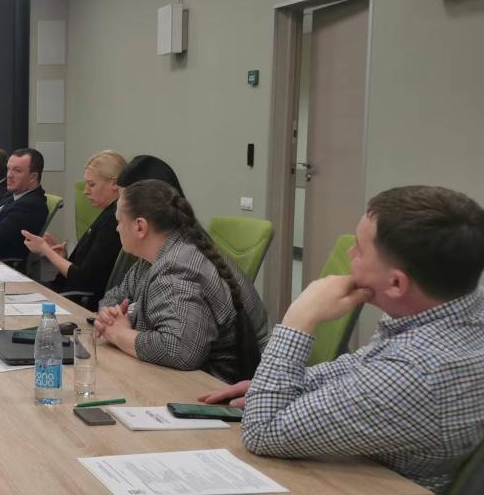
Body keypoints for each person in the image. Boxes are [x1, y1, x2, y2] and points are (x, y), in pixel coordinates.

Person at [198, 186, 484, 493]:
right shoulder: (458, 309)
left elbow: (261, 432)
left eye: (359, 249)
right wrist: (283, 384)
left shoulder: (417, 371)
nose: (350, 254)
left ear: (396, 283)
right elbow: (363, 367)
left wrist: (299, 319)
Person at [95, 179, 270, 384]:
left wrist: (119, 334)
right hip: (192, 377)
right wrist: (111, 316)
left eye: (119, 221)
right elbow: (114, 296)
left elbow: (180, 350)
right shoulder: (152, 258)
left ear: (140, 227)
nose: (117, 229)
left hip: (217, 385)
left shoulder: (177, 267)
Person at [22, 150, 126, 310]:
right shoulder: (108, 214)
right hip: (70, 292)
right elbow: (89, 268)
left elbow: (83, 280)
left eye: (92, 184)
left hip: (78, 302)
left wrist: (44, 249)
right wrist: (63, 258)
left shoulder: (113, 223)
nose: (85, 191)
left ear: (114, 184)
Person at [105, 154, 187, 291]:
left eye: (123, 199)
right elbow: (113, 297)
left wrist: (132, 306)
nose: (118, 207)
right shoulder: (149, 256)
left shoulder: (176, 273)